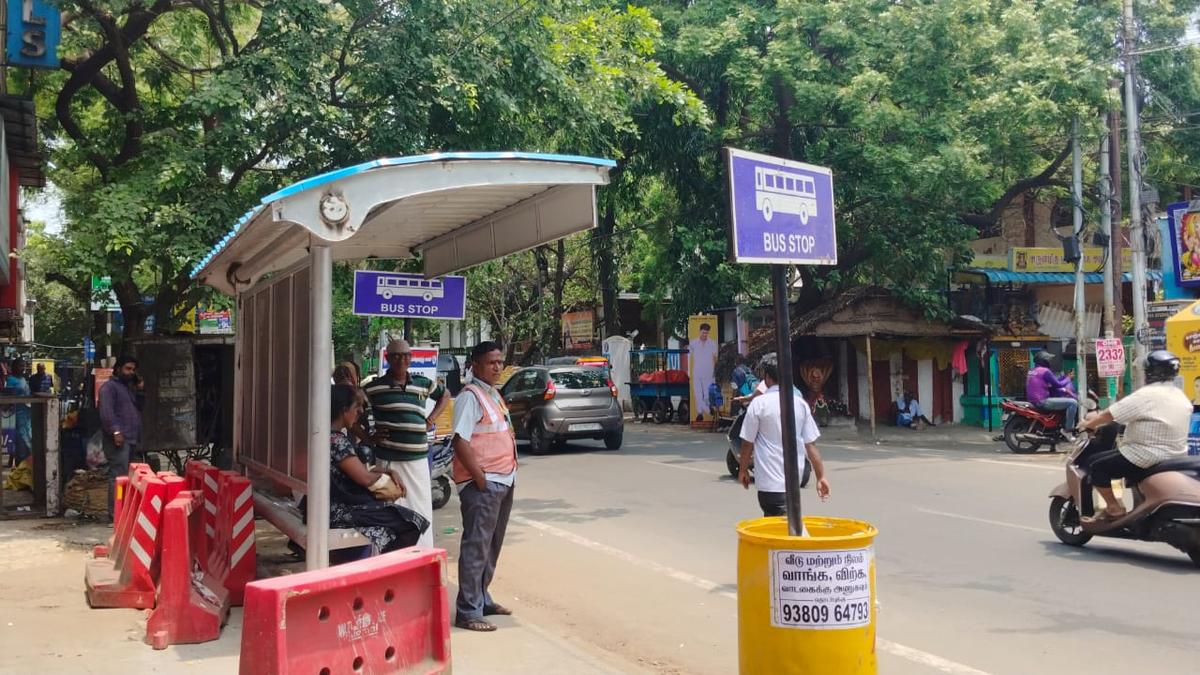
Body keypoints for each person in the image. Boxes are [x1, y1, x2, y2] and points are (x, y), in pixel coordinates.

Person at [1077, 350, 1192, 522]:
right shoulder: (1179, 395)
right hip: (1176, 454)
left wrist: (1088, 424)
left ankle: (1114, 508)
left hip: (1146, 454)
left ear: (1150, 372)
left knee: (1095, 465)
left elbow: (1111, 414)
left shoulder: (1147, 394)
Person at [451, 341, 518, 632]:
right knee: (477, 546)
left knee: (491, 545)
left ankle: (482, 598)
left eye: (499, 362)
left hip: (503, 479)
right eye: (491, 362)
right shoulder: (470, 396)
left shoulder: (493, 394)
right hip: (485, 483)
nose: (497, 367)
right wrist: (479, 477)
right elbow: (460, 440)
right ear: (475, 365)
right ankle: (468, 611)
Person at [318, 384, 428, 559]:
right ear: (344, 410)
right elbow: (365, 479)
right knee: (411, 523)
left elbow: (355, 469)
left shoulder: (325, 436)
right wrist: (390, 485)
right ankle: (383, 571)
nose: (360, 411)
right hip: (338, 510)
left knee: (396, 517)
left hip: (326, 506)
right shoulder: (337, 441)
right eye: (357, 407)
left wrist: (385, 471)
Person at [362, 340, 449, 548]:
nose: (402, 360)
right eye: (396, 356)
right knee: (391, 508)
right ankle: (392, 557)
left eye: (406, 355)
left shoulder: (423, 383)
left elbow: (444, 395)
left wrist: (430, 420)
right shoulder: (373, 388)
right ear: (388, 358)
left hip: (418, 458)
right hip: (389, 460)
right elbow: (353, 412)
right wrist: (367, 437)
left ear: (411, 358)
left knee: (421, 507)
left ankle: (422, 553)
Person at [738, 353, 831, 517]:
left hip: (769, 486)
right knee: (786, 529)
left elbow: (747, 443)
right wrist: (821, 476)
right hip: (794, 484)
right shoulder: (800, 404)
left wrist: (743, 470)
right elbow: (811, 445)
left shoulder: (759, 404)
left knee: (783, 531)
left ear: (766, 378)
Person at [98, 355, 142, 520]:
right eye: (127, 369)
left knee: (128, 477)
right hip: (118, 439)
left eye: (133, 370)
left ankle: (124, 511)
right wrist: (116, 431)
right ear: (118, 369)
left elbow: (140, 408)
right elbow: (106, 413)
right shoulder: (109, 388)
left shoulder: (127, 388)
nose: (131, 372)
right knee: (118, 476)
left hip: (130, 438)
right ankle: (115, 514)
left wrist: (141, 389)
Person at [1025, 351, 1078, 441]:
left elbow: (1045, 383)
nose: (1050, 361)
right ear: (1044, 361)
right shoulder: (1045, 371)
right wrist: (1068, 378)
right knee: (1073, 403)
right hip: (1042, 401)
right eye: (1049, 360)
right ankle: (1067, 430)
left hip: (1033, 400)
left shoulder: (1032, 370)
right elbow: (1058, 384)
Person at [689, 323, 718, 421]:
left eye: (706, 333)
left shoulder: (712, 343)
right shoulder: (693, 343)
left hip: (708, 372)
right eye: (703, 332)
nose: (704, 335)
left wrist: (715, 372)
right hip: (697, 371)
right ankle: (700, 413)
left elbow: (715, 357)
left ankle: (708, 408)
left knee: (706, 394)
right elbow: (689, 357)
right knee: (697, 393)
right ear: (700, 331)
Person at [6, 359, 31, 466]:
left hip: (27, 415)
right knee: (20, 441)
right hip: (17, 415)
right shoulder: (11, 380)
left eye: (24, 366)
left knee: (27, 441)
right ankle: (20, 465)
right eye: (20, 366)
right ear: (15, 367)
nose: (23, 368)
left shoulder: (23, 379)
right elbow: (8, 398)